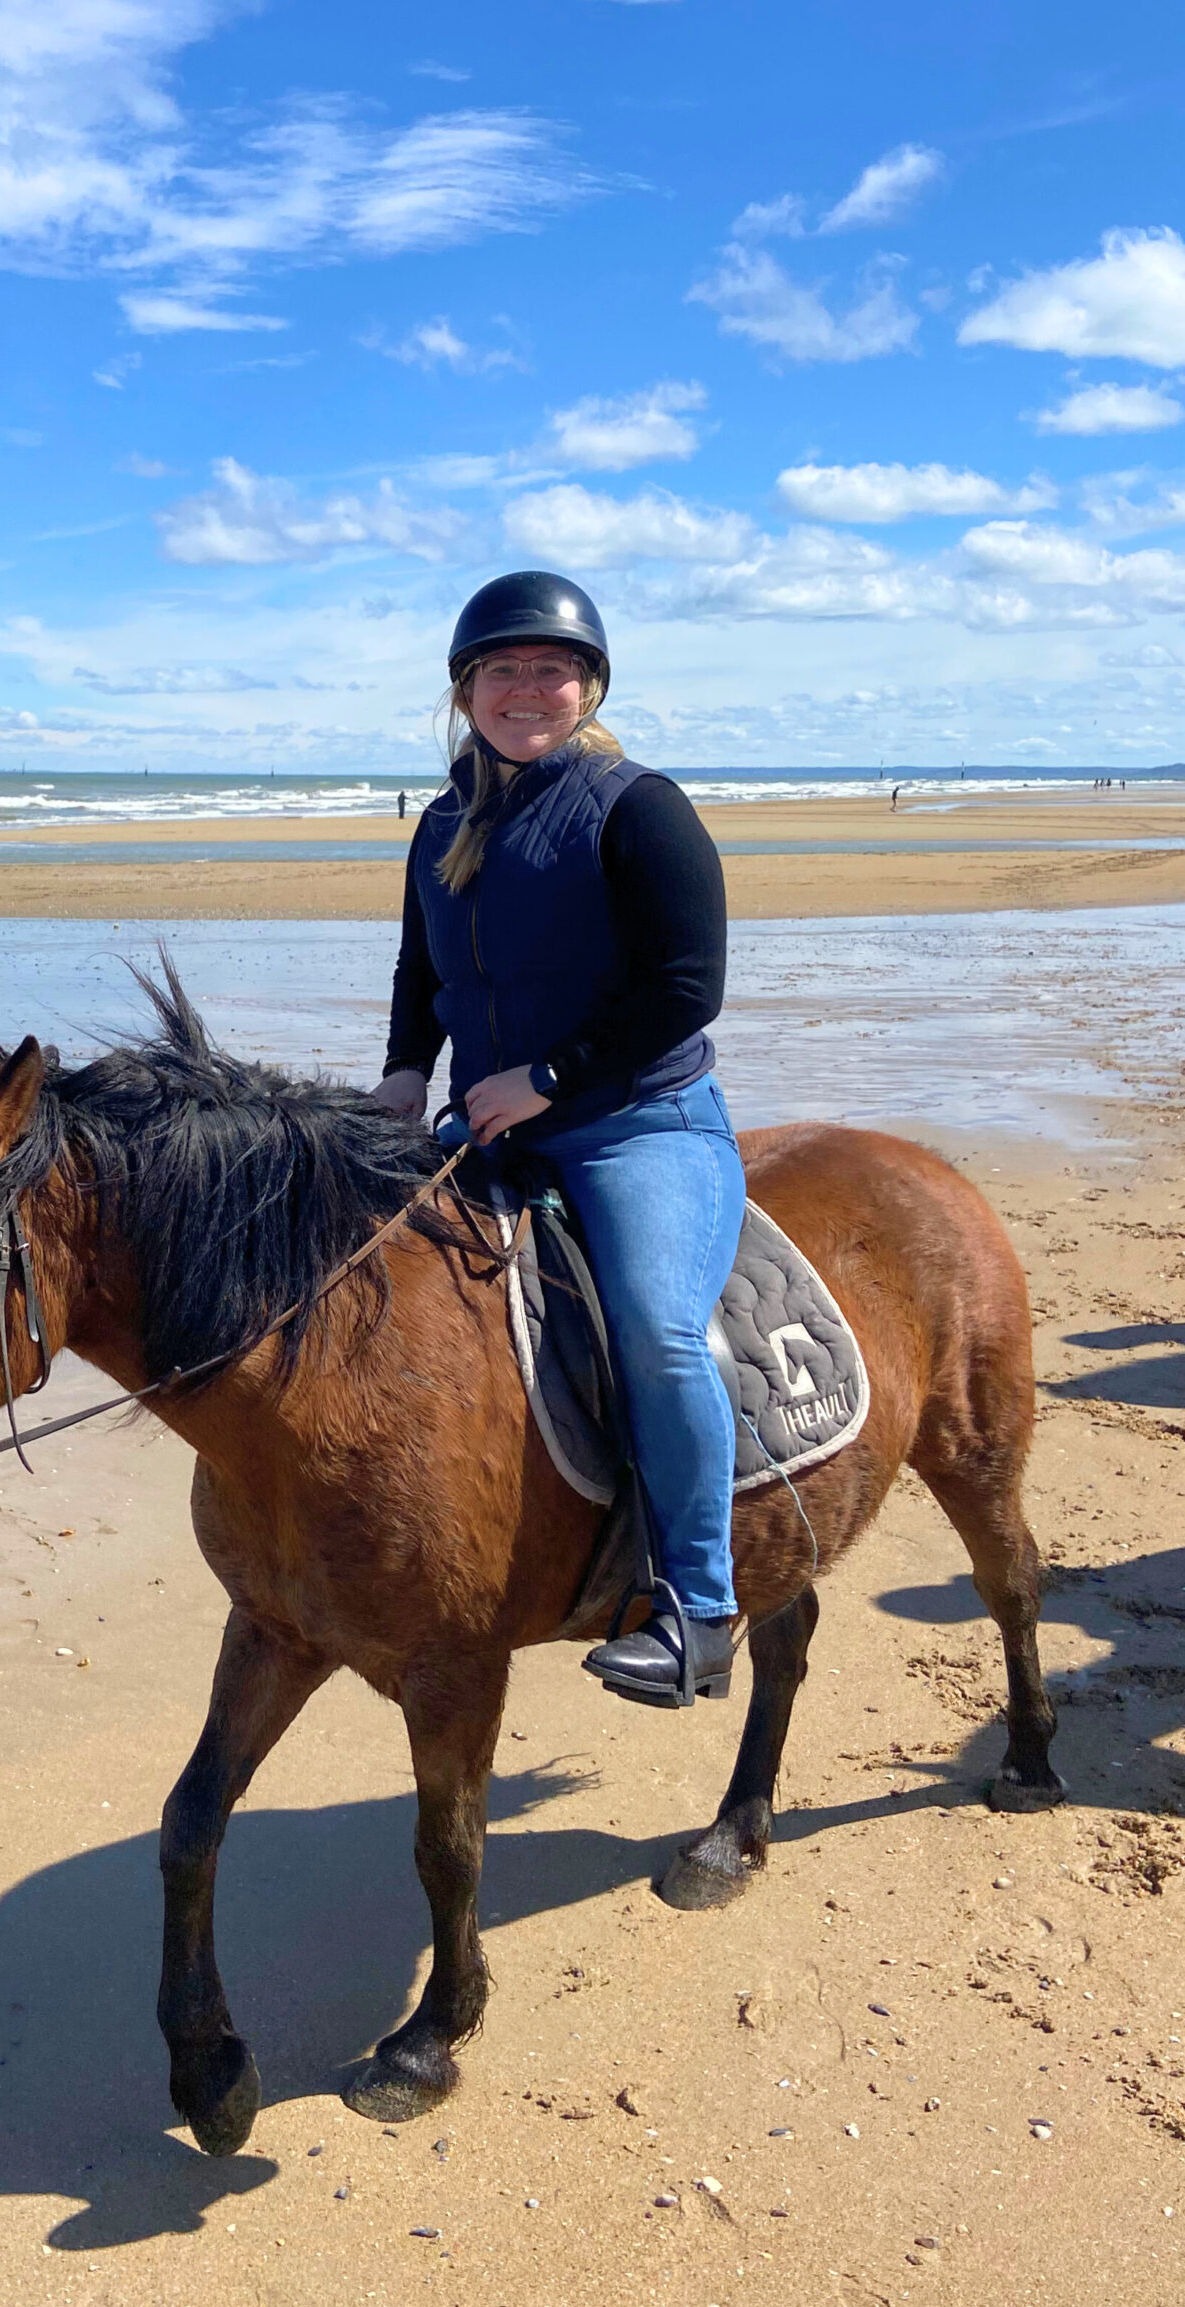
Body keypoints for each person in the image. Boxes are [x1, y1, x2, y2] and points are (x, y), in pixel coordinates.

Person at [371, 571, 744, 1707]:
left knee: (658, 1332)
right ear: (465, 690)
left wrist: (548, 1078)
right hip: (489, 1125)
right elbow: (422, 972)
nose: (528, 688)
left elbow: (689, 985)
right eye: (503, 669)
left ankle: (701, 1605)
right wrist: (401, 1074)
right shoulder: (443, 820)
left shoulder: (640, 807)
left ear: (589, 686)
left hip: (641, 1129)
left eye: (553, 668)